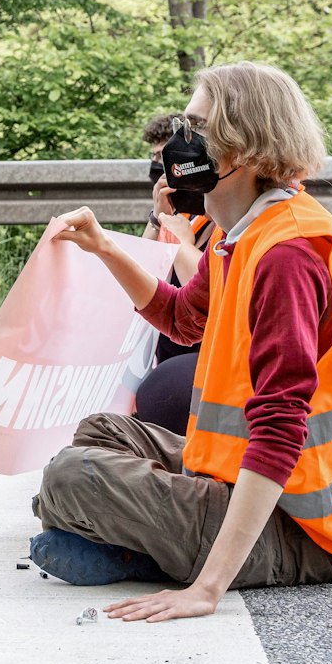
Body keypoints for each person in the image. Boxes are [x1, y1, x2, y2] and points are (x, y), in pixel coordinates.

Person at [28, 61, 332, 622]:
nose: (181, 143)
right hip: (250, 479)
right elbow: (182, 319)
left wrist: (206, 591)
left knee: (72, 477)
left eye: (197, 128)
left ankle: (140, 551)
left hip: (307, 525)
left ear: (244, 147)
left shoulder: (286, 254)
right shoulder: (240, 234)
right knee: (98, 433)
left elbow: (280, 429)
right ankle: (124, 540)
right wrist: (104, 247)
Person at [134, 112, 217, 433]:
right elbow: (141, 269)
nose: (159, 168)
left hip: (205, 356)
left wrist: (181, 240)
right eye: (153, 158)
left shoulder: (221, 215)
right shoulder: (181, 215)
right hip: (170, 348)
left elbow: (209, 289)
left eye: (163, 158)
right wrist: (157, 220)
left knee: (163, 392)